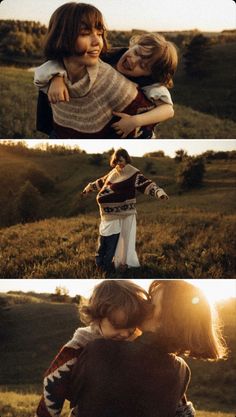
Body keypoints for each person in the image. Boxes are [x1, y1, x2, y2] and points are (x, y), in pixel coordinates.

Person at [69, 280, 227, 417]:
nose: (142, 308)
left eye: (150, 305)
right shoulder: (181, 370)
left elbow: (74, 397)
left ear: (165, 321)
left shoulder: (100, 349)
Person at [34, 2, 174, 139]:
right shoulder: (107, 55)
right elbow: (57, 62)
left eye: (143, 66)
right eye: (137, 52)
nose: (134, 61)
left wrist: (135, 121)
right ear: (133, 45)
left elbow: (168, 110)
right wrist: (56, 78)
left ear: (150, 74)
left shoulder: (151, 83)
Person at [35, 280, 151, 417]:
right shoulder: (81, 343)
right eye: (117, 326)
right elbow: (52, 384)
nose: (125, 334)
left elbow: (166, 379)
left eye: (131, 325)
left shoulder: (139, 341)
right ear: (97, 318)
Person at [82, 148, 169, 276]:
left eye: (121, 161)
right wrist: (89, 187)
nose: (119, 164)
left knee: (126, 239)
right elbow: (101, 182)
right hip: (109, 214)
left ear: (126, 159)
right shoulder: (113, 172)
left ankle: (126, 264)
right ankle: (115, 263)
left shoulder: (133, 173)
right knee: (113, 241)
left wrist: (159, 192)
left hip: (126, 213)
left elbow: (146, 184)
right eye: (116, 161)